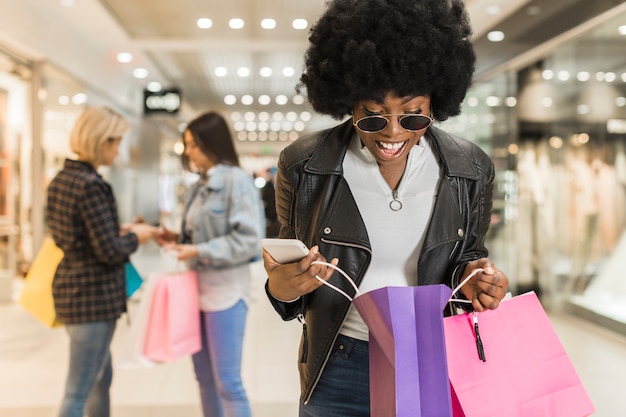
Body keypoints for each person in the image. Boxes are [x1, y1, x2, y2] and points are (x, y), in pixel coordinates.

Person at [261, 0, 510, 416]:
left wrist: (479, 280)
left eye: (413, 117)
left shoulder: (470, 169)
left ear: (436, 103)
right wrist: (284, 286)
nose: (393, 134)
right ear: (349, 103)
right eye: (373, 118)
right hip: (338, 365)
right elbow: (287, 286)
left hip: (433, 357)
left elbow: (469, 258)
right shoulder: (304, 166)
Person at [45, 106, 157, 417]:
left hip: (71, 289)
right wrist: (140, 237)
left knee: (99, 377)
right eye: (116, 142)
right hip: (92, 296)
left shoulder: (61, 180)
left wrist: (119, 231)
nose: (118, 150)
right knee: (79, 389)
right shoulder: (92, 185)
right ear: (101, 141)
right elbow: (109, 251)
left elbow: (71, 234)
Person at [155, 111, 265, 417]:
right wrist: (176, 237)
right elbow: (200, 233)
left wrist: (198, 250)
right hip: (194, 292)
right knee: (204, 379)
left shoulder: (237, 181)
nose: (188, 152)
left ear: (211, 142)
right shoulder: (199, 185)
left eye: (193, 145)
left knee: (228, 382)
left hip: (226, 293)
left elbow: (248, 240)